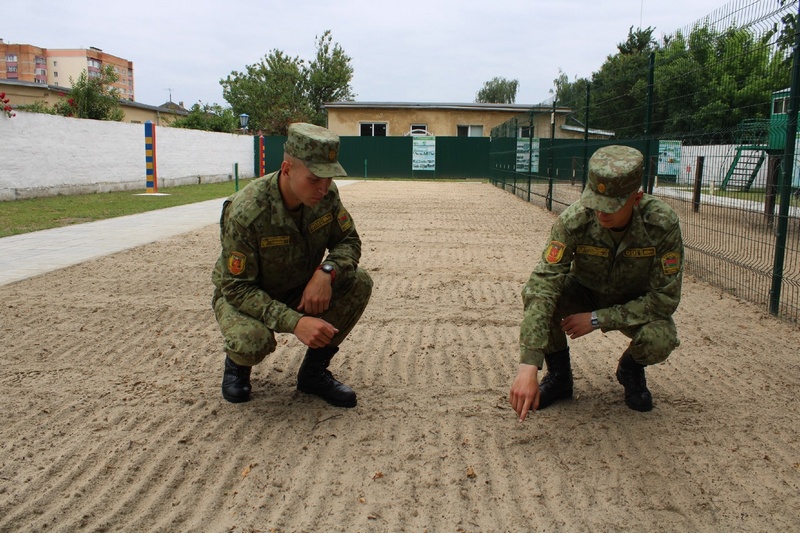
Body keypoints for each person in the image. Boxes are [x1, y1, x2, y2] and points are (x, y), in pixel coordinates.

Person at [509, 145, 683, 422]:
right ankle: (560, 377)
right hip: (584, 291)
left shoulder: (661, 224)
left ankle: (630, 369)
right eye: (595, 201)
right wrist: (528, 363)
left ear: (637, 197)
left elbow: (665, 298)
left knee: (660, 339)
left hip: (633, 300)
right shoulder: (576, 220)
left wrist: (597, 319)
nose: (600, 213)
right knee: (540, 296)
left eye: (611, 205)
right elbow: (543, 283)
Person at [211, 122, 372, 407]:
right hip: (248, 296)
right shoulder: (248, 211)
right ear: (287, 169)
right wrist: (295, 322)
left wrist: (327, 272)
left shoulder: (327, 196)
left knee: (358, 282)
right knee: (252, 340)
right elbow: (235, 287)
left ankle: (313, 373)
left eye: (329, 178)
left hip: (299, 286)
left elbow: (348, 240)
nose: (324, 188)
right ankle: (238, 367)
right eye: (314, 179)